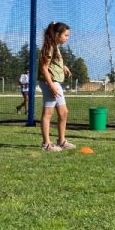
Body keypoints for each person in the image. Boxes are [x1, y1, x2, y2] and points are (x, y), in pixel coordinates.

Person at [38, 22, 76, 151]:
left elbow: (55, 62)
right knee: (48, 113)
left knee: (64, 112)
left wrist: (63, 67)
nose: (67, 38)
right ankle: (46, 144)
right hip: (50, 83)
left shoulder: (56, 46)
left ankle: (61, 140)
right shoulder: (49, 47)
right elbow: (44, 68)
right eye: (65, 35)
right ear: (57, 34)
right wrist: (51, 86)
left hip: (56, 83)